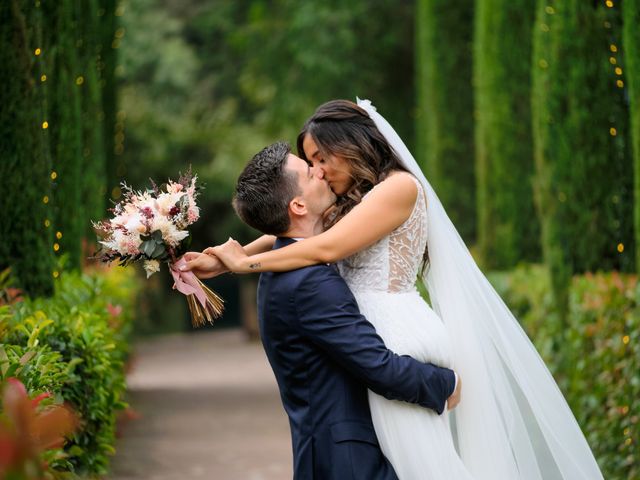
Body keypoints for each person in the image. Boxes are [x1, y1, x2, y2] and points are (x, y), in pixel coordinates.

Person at [186, 100, 605, 480]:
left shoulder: (397, 188)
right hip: (373, 333)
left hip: (393, 328)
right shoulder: (353, 198)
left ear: (349, 144)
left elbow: (323, 245)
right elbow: (296, 238)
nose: (319, 170)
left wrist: (243, 265)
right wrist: (229, 260)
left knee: (421, 460)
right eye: (311, 162)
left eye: (321, 158)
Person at [186, 141, 461, 479]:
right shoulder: (310, 284)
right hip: (350, 463)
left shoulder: (285, 268)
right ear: (298, 205)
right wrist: (447, 383)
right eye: (309, 171)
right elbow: (379, 366)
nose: (320, 170)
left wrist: (234, 259)